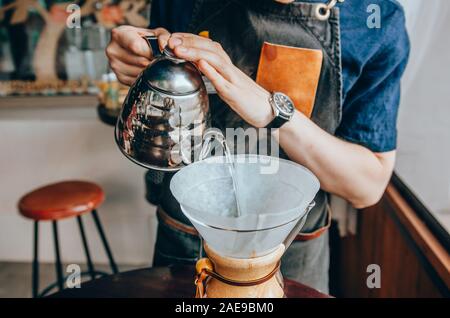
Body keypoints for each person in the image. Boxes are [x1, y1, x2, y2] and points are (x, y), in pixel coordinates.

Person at [106, 0, 410, 293]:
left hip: (294, 248)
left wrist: (272, 112)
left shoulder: (375, 18)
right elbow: (163, 75)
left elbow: (367, 186)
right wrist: (140, 58)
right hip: (189, 239)